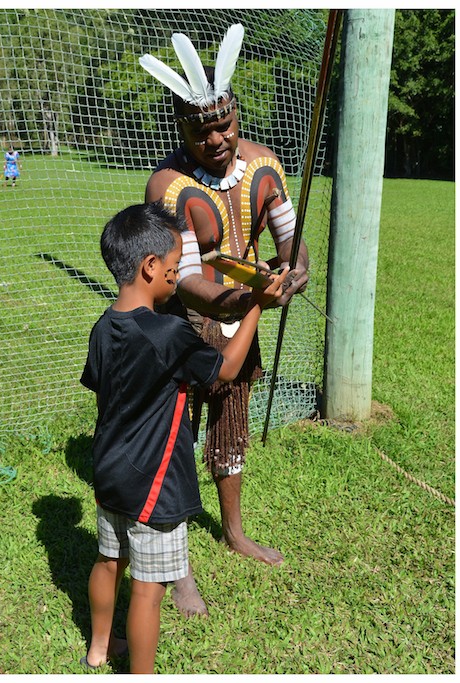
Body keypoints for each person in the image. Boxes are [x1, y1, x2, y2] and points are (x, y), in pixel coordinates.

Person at [140, 24, 310, 614]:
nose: (216, 139)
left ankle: (233, 529)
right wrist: (245, 302)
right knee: (175, 432)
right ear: (181, 130)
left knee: (231, 422)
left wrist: (294, 272)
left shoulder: (265, 165)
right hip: (188, 323)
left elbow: (293, 241)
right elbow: (183, 279)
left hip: (245, 307)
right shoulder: (169, 185)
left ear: (236, 119)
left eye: (224, 125)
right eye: (201, 129)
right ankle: (174, 552)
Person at [80, 202, 287, 673]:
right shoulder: (169, 332)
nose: (178, 275)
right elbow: (227, 369)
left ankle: (97, 648)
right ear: (150, 266)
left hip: (109, 470)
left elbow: (102, 396)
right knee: (148, 590)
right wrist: (258, 303)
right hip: (155, 484)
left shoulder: (102, 325)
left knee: (108, 560)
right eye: (174, 266)